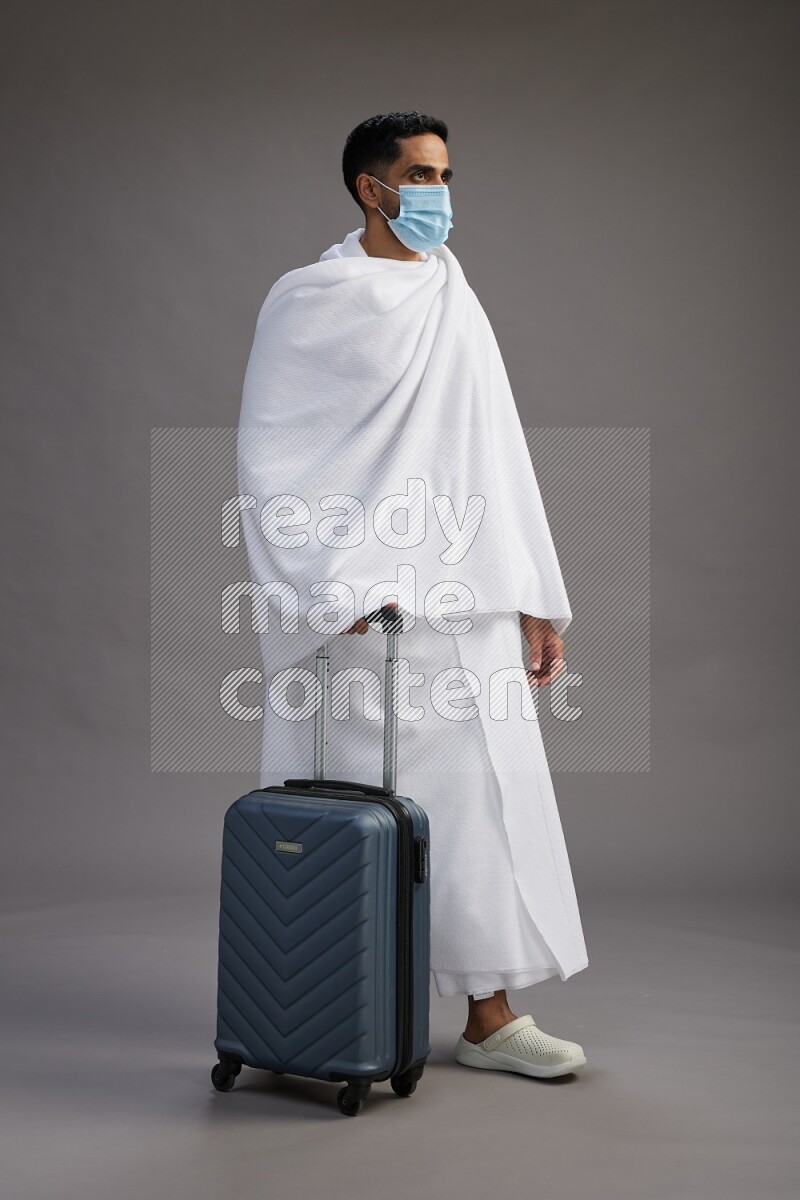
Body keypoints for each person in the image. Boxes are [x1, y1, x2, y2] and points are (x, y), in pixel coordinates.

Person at [236, 111, 588, 1080]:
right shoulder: (313, 300)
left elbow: (494, 455)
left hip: (463, 600)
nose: (439, 193)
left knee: (476, 802)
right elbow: (271, 453)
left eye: (444, 173)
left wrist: (529, 597)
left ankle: (490, 1016)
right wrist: (321, 584)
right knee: (358, 804)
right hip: (360, 610)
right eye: (421, 175)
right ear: (369, 187)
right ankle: (320, 1005)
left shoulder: (452, 298)